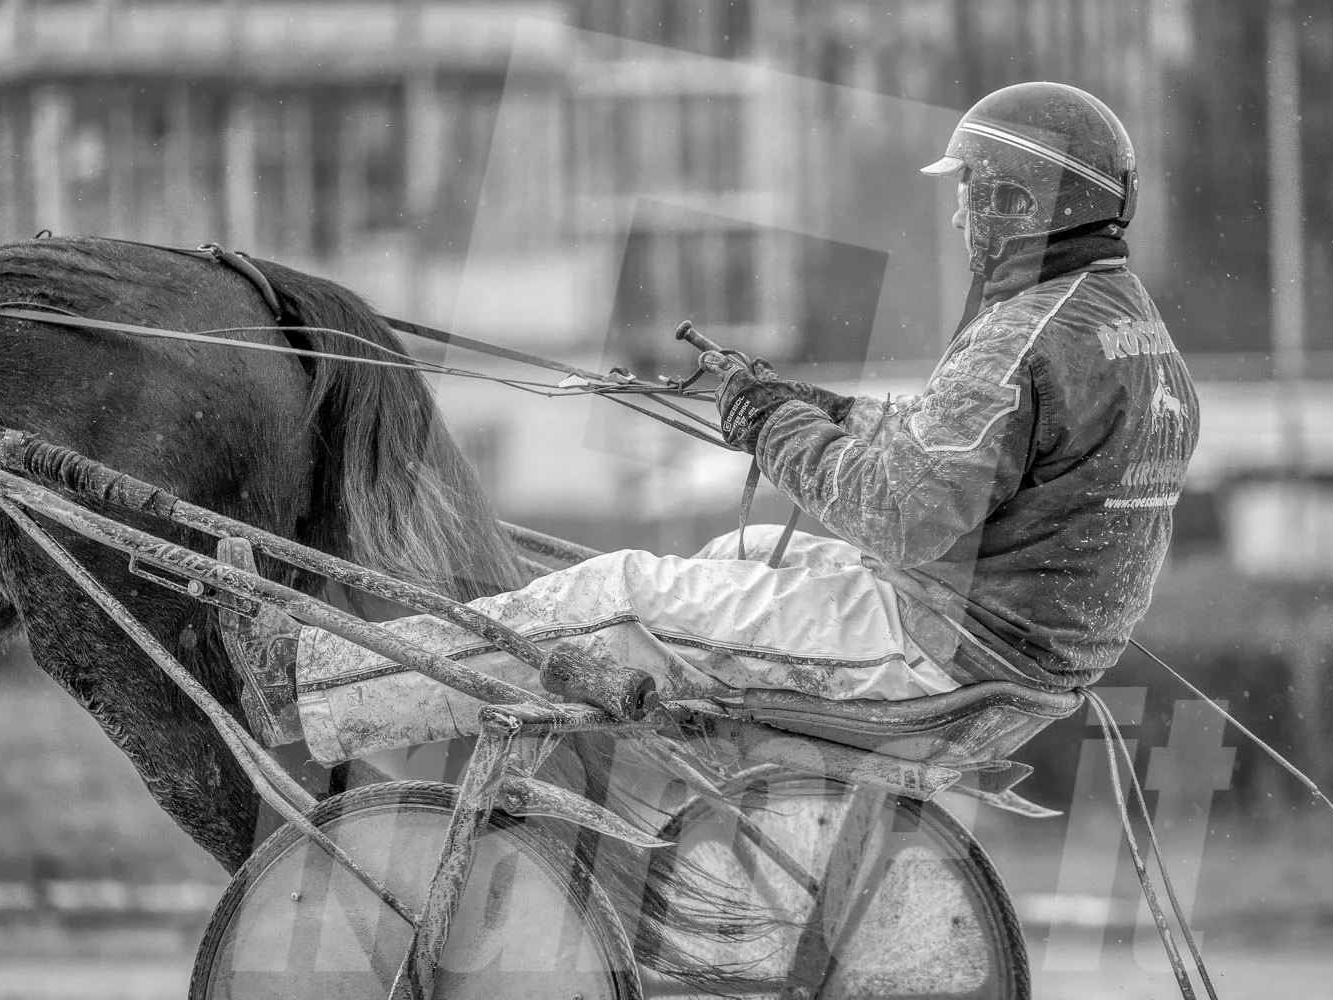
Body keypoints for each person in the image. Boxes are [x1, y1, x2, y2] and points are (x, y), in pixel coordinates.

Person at [225, 81, 1200, 765]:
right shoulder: (1125, 327)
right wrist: (815, 406)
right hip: (1023, 656)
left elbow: (902, 512)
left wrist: (768, 428)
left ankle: (309, 686)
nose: (958, 219)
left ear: (1018, 203)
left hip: (938, 650)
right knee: (738, 555)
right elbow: (966, 457)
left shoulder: (1018, 336)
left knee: (617, 598)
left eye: (969, 196)